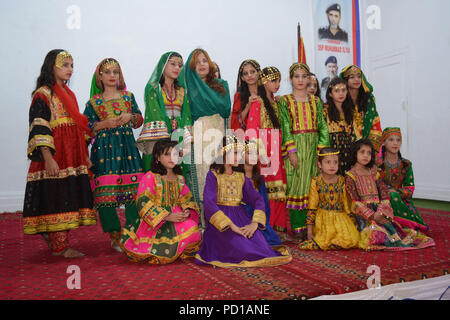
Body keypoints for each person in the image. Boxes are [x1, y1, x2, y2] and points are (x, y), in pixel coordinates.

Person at [24, 49, 97, 258]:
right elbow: (39, 127)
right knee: (57, 196)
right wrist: (48, 158)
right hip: (56, 155)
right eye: (65, 65)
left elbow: (77, 127)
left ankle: (56, 238)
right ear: (52, 66)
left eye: (72, 65)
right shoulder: (43, 94)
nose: (70, 70)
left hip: (72, 154)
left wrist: (85, 157)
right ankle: (60, 246)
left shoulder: (69, 95)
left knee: (68, 195)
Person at [195, 135, 291, 267]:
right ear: (223, 152)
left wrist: (254, 224)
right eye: (235, 153)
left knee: (262, 247)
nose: (239, 157)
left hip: (241, 219)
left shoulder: (241, 177)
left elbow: (258, 199)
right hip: (222, 226)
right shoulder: (213, 175)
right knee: (243, 250)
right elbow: (209, 204)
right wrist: (232, 227)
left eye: (240, 154)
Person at [84, 58, 144, 252]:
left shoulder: (128, 97)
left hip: (128, 150)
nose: (112, 76)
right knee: (105, 194)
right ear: (99, 76)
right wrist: (103, 124)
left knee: (134, 191)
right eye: (107, 72)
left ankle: (132, 232)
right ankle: (115, 235)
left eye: (115, 72)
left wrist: (130, 117)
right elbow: (86, 128)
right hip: (104, 151)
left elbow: (139, 119)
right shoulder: (93, 102)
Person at [120, 139, 202, 264]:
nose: (172, 158)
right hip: (155, 222)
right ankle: (164, 250)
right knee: (160, 246)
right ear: (157, 157)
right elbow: (143, 202)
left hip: (177, 218)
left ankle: (177, 248)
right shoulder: (151, 176)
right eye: (167, 154)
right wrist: (167, 216)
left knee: (194, 230)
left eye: (175, 154)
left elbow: (187, 198)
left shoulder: (180, 179)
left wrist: (186, 211)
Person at [345, 139, 435, 250]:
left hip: (379, 211)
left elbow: (384, 194)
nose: (366, 155)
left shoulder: (374, 173)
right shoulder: (350, 175)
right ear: (355, 154)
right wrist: (373, 216)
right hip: (364, 215)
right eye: (362, 152)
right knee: (375, 235)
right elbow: (354, 201)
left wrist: (382, 211)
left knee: (396, 232)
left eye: (369, 153)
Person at [135, 52, 198, 207]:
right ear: (163, 66)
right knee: (158, 177)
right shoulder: (152, 89)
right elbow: (154, 114)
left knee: (179, 177)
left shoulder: (183, 91)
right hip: (159, 140)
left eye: (180, 65)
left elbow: (187, 117)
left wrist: (183, 143)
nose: (177, 67)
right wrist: (170, 145)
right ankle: (158, 216)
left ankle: (179, 214)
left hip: (179, 139)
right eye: (172, 63)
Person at [278, 63, 330, 240]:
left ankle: (312, 225)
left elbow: (323, 127)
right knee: (296, 185)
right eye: (296, 76)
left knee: (312, 185)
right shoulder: (285, 101)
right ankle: (297, 227)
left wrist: (321, 153)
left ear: (309, 79)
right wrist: (291, 151)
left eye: (304, 76)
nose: (300, 80)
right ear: (290, 79)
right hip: (295, 147)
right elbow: (285, 127)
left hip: (314, 147)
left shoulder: (316, 101)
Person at [179, 48, 231, 215]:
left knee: (221, 173)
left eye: (204, 60)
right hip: (199, 133)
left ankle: (223, 220)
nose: (202, 64)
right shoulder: (188, 90)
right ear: (191, 68)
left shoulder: (221, 85)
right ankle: (203, 222)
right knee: (202, 174)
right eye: (197, 62)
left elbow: (225, 108)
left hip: (219, 131)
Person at [246, 66, 289, 236]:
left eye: (278, 80)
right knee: (267, 191)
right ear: (264, 81)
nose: (277, 84)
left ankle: (277, 228)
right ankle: (266, 228)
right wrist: (259, 154)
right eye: (273, 80)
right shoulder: (258, 102)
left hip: (277, 148)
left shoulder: (276, 103)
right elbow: (251, 129)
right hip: (265, 150)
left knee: (278, 191)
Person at [299, 147, 359, 250]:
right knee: (324, 239)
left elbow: (346, 204)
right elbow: (312, 207)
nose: (332, 166)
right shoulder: (316, 182)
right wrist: (309, 232)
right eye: (328, 162)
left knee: (350, 240)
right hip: (322, 220)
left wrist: (353, 223)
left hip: (340, 218)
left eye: (335, 162)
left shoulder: (341, 180)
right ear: (319, 164)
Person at [377, 128, 430, 233]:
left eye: (398, 140)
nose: (395, 143)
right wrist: (387, 192)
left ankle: (401, 225)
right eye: (391, 140)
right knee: (391, 197)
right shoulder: (377, 164)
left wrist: (395, 193)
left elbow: (410, 189)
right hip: (381, 200)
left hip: (401, 200)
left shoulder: (406, 164)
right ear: (383, 142)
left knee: (394, 196)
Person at [236, 140, 282, 247]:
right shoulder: (236, 177)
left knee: (273, 242)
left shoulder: (259, 179)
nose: (253, 156)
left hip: (258, 219)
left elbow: (265, 205)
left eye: (256, 153)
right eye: (249, 153)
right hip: (241, 218)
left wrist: (262, 223)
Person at [323, 77, 362, 175]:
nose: (341, 93)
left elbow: (357, 136)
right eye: (337, 91)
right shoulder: (324, 111)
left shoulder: (352, 111)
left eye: (343, 90)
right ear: (330, 94)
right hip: (331, 154)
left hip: (349, 153)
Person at [339, 65, 382, 152]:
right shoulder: (340, 99)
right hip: (345, 150)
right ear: (345, 81)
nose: (356, 79)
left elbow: (375, 126)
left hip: (366, 150)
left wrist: (371, 150)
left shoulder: (368, 99)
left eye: (359, 76)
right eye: (352, 77)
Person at [231, 59, 261, 131]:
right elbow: (235, 123)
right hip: (247, 137)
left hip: (266, 136)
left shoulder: (267, 93)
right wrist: (248, 106)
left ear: (259, 73)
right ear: (242, 78)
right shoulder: (238, 96)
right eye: (245, 73)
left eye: (252, 72)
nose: (249, 75)